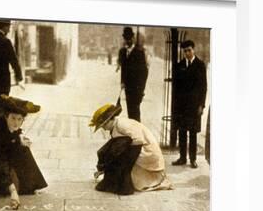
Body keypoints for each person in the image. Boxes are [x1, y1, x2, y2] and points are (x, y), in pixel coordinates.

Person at [89, 103, 172, 195]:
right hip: (137, 148)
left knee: (119, 158)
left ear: (109, 121)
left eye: (104, 126)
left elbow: (138, 140)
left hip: (147, 151)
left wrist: (124, 161)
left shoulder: (122, 124)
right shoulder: (116, 126)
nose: (104, 129)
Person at [172, 40, 208, 169]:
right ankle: (182, 158)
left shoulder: (200, 65)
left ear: (194, 50)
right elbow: (175, 88)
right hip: (181, 106)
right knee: (181, 132)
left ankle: (193, 159)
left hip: (194, 106)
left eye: (189, 50)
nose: (187, 53)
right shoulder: (179, 65)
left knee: (192, 133)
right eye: (185, 51)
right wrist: (175, 106)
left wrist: (201, 105)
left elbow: (204, 87)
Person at [117, 27, 149, 122]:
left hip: (137, 89)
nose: (128, 40)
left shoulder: (139, 52)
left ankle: (137, 133)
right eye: (126, 38)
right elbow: (123, 68)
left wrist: (141, 90)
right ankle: (133, 133)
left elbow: (144, 72)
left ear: (133, 38)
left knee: (135, 113)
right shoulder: (122, 52)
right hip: (127, 88)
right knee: (130, 113)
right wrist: (122, 82)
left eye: (130, 38)